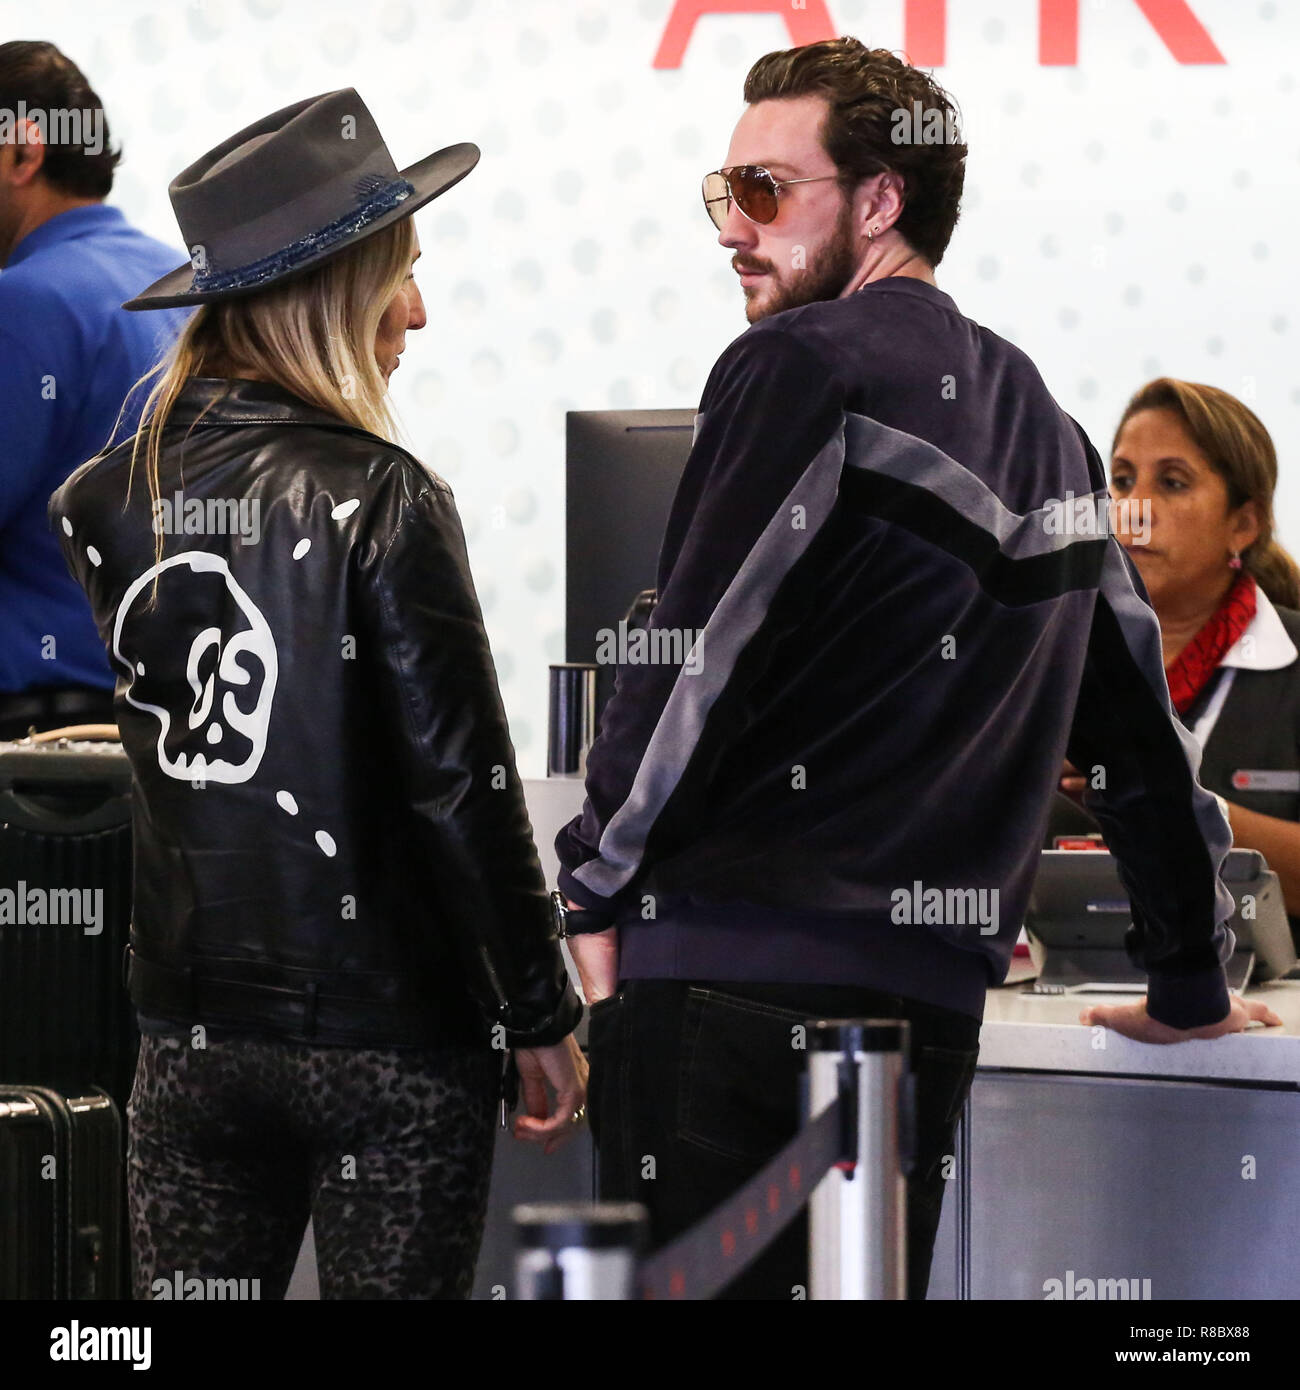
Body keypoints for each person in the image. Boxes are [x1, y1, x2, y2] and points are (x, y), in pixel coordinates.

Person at [553, 37, 1278, 1302]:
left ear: (881, 200)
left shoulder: (797, 364)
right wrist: (1188, 976)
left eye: (766, 193)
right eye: (723, 194)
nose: (733, 229)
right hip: (912, 1022)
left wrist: (591, 890)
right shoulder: (1046, 428)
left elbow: (688, 654)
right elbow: (1132, 733)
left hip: (726, 994)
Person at [50, 89, 585, 1300]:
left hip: (190, 1040)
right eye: (400, 276)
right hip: (389, 1045)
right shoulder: (386, 493)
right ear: (334, 291)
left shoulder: (102, 500)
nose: (418, 312)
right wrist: (539, 1010)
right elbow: (462, 786)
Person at [1057, 378, 1300, 948]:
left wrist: (1163, 796)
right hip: (1068, 1006)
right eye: (1120, 480)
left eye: (1172, 482)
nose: (1135, 507)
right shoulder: (1057, 661)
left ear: (1243, 524)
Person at [0, 41, 189, 739]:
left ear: (23, 154)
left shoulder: (20, 302)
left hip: (37, 768)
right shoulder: (188, 290)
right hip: (170, 750)